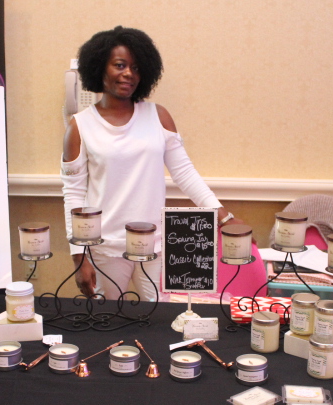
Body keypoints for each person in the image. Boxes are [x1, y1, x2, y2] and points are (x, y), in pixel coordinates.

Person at [61, 26, 242, 301]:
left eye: (136, 67)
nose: (129, 74)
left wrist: (224, 217)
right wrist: (79, 256)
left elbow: (185, 174)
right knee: (106, 319)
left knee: (161, 317)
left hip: (156, 245)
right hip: (104, 247)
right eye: (119, 65)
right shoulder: (80, 126)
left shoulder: (159, 117)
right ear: (99, 67)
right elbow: (73, 194)